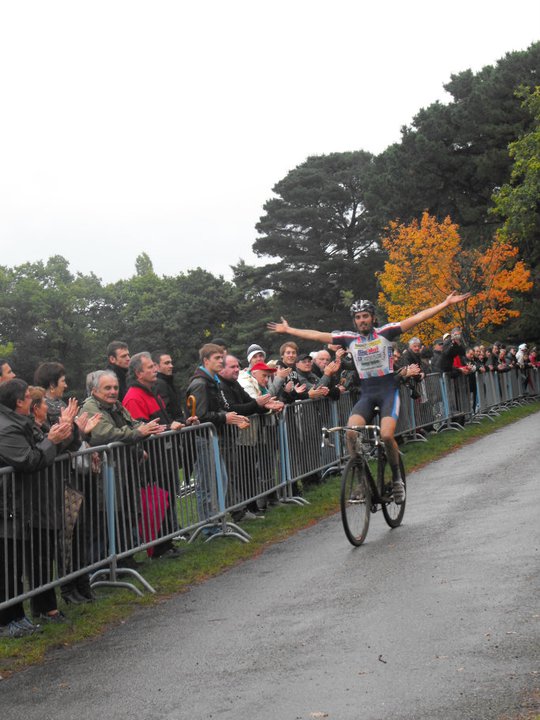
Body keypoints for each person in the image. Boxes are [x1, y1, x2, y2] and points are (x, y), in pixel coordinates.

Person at [268, 291, 470, 504]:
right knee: (351, 433)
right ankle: (361, 479)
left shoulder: (385, 332)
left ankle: (397, 479)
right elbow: (318, 335)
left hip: (388, 392)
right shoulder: (349, 338)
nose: (362, 320)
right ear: (354, 320)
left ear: (372, 317)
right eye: (358, 317)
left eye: (365, 316)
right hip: (367, 394)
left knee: (386, 435)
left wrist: (445, 303)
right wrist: (289, 329)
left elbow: (417, 317)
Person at [0, 379, 72, 637]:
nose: (32, 399)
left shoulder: (22, 423)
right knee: (8, 567)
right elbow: (29, 460)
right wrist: (51, 440)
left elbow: (46, 448)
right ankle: (8, 620)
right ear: (19, 401)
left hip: (24, 506)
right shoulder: (6, 429)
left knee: (19, 564)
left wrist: (64, 431)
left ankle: (19, 616)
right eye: (29, 396)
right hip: (9, 506)